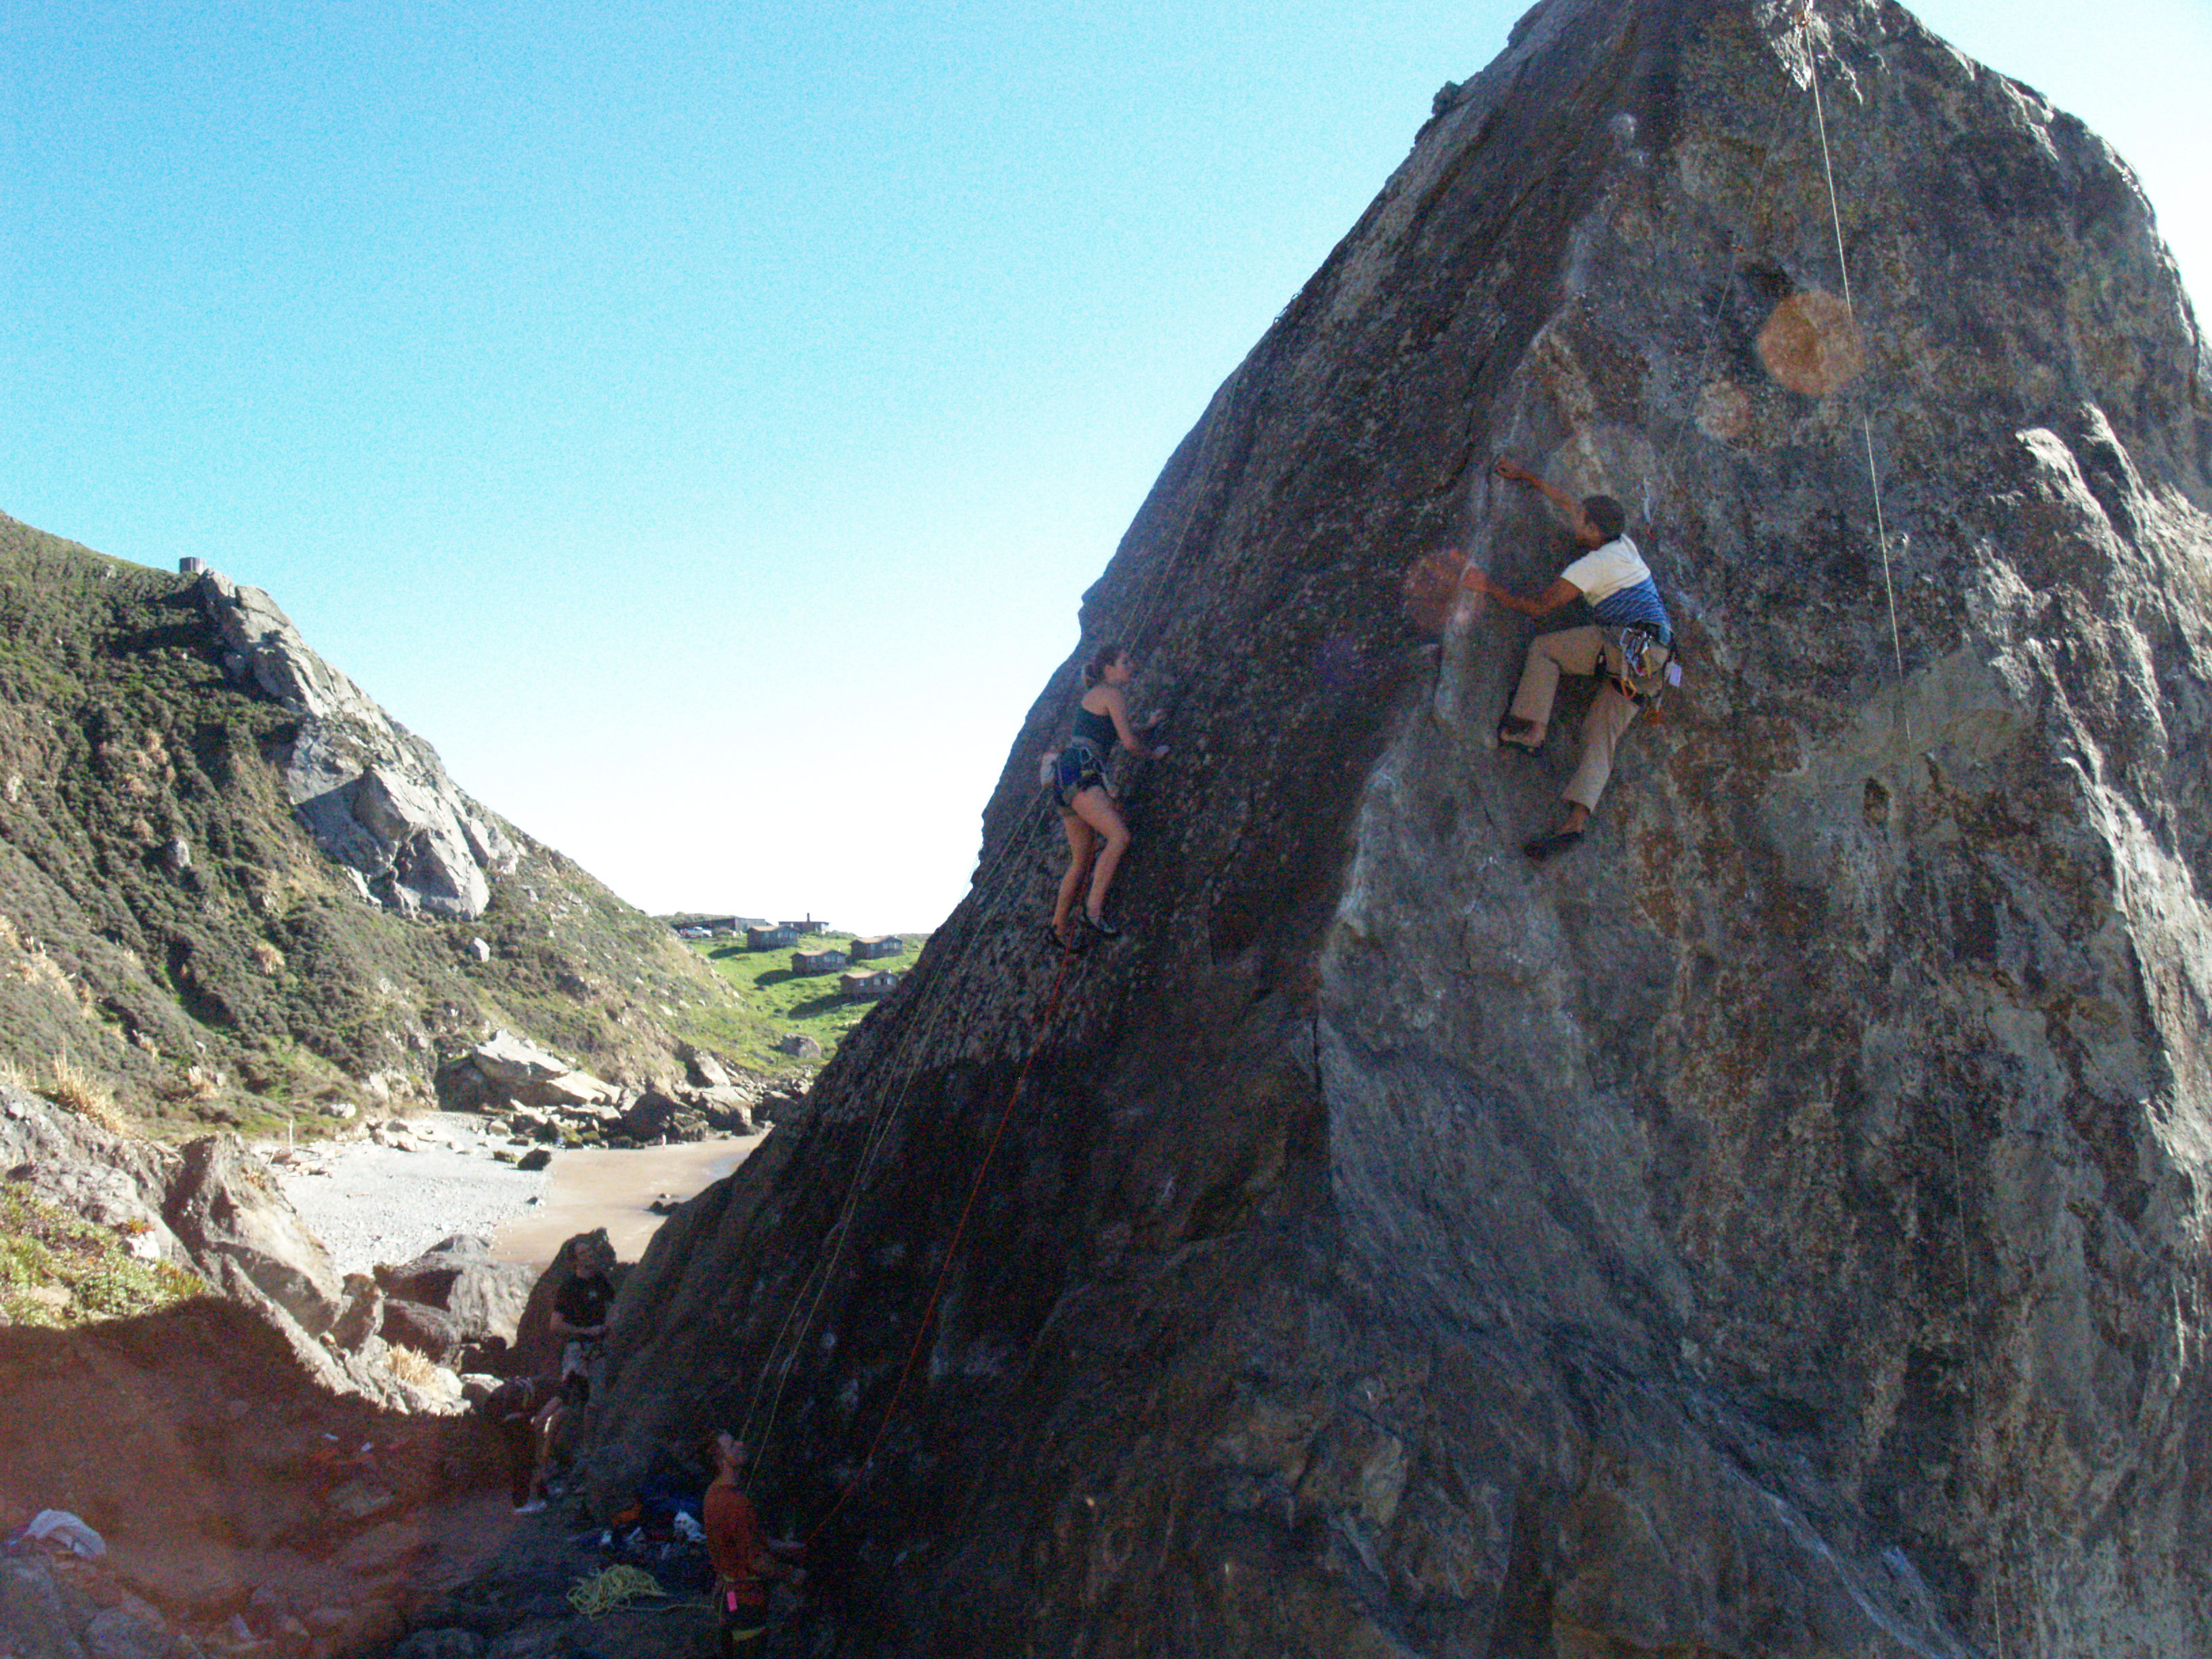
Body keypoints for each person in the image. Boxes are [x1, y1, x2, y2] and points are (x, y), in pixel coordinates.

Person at [1460, 456, 1674, 860]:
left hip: (1626, 646)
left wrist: (1485, 585)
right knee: (1599, 734)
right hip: (1657, 661)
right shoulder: (1623, 544)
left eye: (1581, 521)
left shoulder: (1592, 566)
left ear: (1593, 531)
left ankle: (1532, 730)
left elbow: (1539, 607)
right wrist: (1526, 476)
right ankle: (1575, 824)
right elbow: (1568, 503)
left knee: (1545, 649)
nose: (1573, 522)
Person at [1049, 644, 1166, 948]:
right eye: (1125, 661)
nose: (1132, 665)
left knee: (1082, 859)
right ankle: (1093, 911)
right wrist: (1153, 755)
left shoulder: (1097, 697)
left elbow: (1118, 729)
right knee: (1119, 837)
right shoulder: (1112, 694)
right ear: (1108, 669)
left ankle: (1058, 929)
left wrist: (1147, 725)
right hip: (1083, 775)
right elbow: (1127, 742)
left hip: (1066, 777)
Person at [702, 1431, 804, 1655]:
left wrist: (785, 1547)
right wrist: (791, 1574)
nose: (741, 1444)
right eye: (732, 1445)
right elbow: (757, 1562)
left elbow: (741, 1541)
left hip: (728, 1599)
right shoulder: (738, 1504)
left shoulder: (713, 1494)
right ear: (721, 1459)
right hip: (747, 1603)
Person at [480, 1372, 560, 1513]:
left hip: (496, 1403)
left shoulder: (548, 1383)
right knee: (524, 1455)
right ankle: (521, 1504)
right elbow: (540, 1421)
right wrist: (543, 1451)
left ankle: (542, 1494)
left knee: (524, 1454)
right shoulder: (563, 1393)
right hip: (510, 1408)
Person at [551, 1236, 615, 1407]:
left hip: (599, 1348)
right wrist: (587, 1331)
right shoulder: (569, 1287)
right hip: (577, 1349)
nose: (589, 1254)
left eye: (589, 1250)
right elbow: (555, 1325)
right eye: (583, 1253)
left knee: (596, 1402)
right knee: (571, 1399)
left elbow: (613, 1306)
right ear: (575, 1260)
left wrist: (608, 1325)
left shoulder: (600, 1281)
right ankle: (542, 1424)